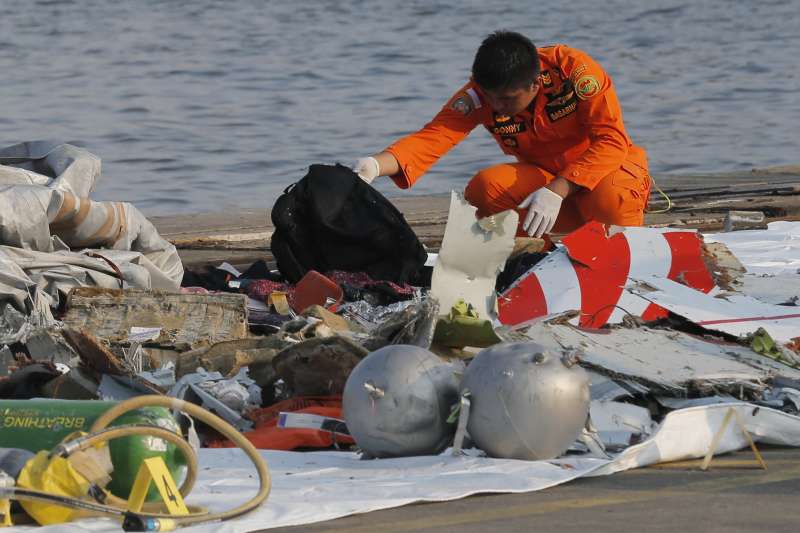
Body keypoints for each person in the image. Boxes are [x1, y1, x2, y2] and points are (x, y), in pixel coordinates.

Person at [353, 31, 651, 239]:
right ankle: (533, 258)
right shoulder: (481, 95)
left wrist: (558, 189)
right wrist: (374, 166)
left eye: (507, 99)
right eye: (490, 96)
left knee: (612, 193)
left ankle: (625, 257)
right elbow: (432, 138)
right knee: (484, 189)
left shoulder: (573, 71)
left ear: (535, 85)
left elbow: (612, 141)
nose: (496, 107)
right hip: (546, 190)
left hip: (604, 180)